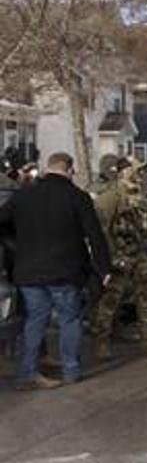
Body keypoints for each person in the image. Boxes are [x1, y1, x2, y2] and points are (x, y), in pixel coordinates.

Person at [0, 153, 110, 389]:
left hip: (28, 270)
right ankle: (71, 371)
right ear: (70, 170)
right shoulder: (77, 197)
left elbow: (2, 222)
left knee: (35, 320)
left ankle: (28, 373)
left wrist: (17, 247)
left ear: (47, 168)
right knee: (70, 319)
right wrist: (104, 268)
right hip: (65, 271)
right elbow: (95, 235)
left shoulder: (23, 195)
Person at [87, 158, 147, 358]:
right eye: (137, 170)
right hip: (121, 256)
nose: (140, 174)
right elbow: (101, 230)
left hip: (141, 254)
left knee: (146, 299)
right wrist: (111, 257)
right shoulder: (110, 198)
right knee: (110, 301)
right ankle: (101, 342)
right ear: (124, 171)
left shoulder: (140, 196)